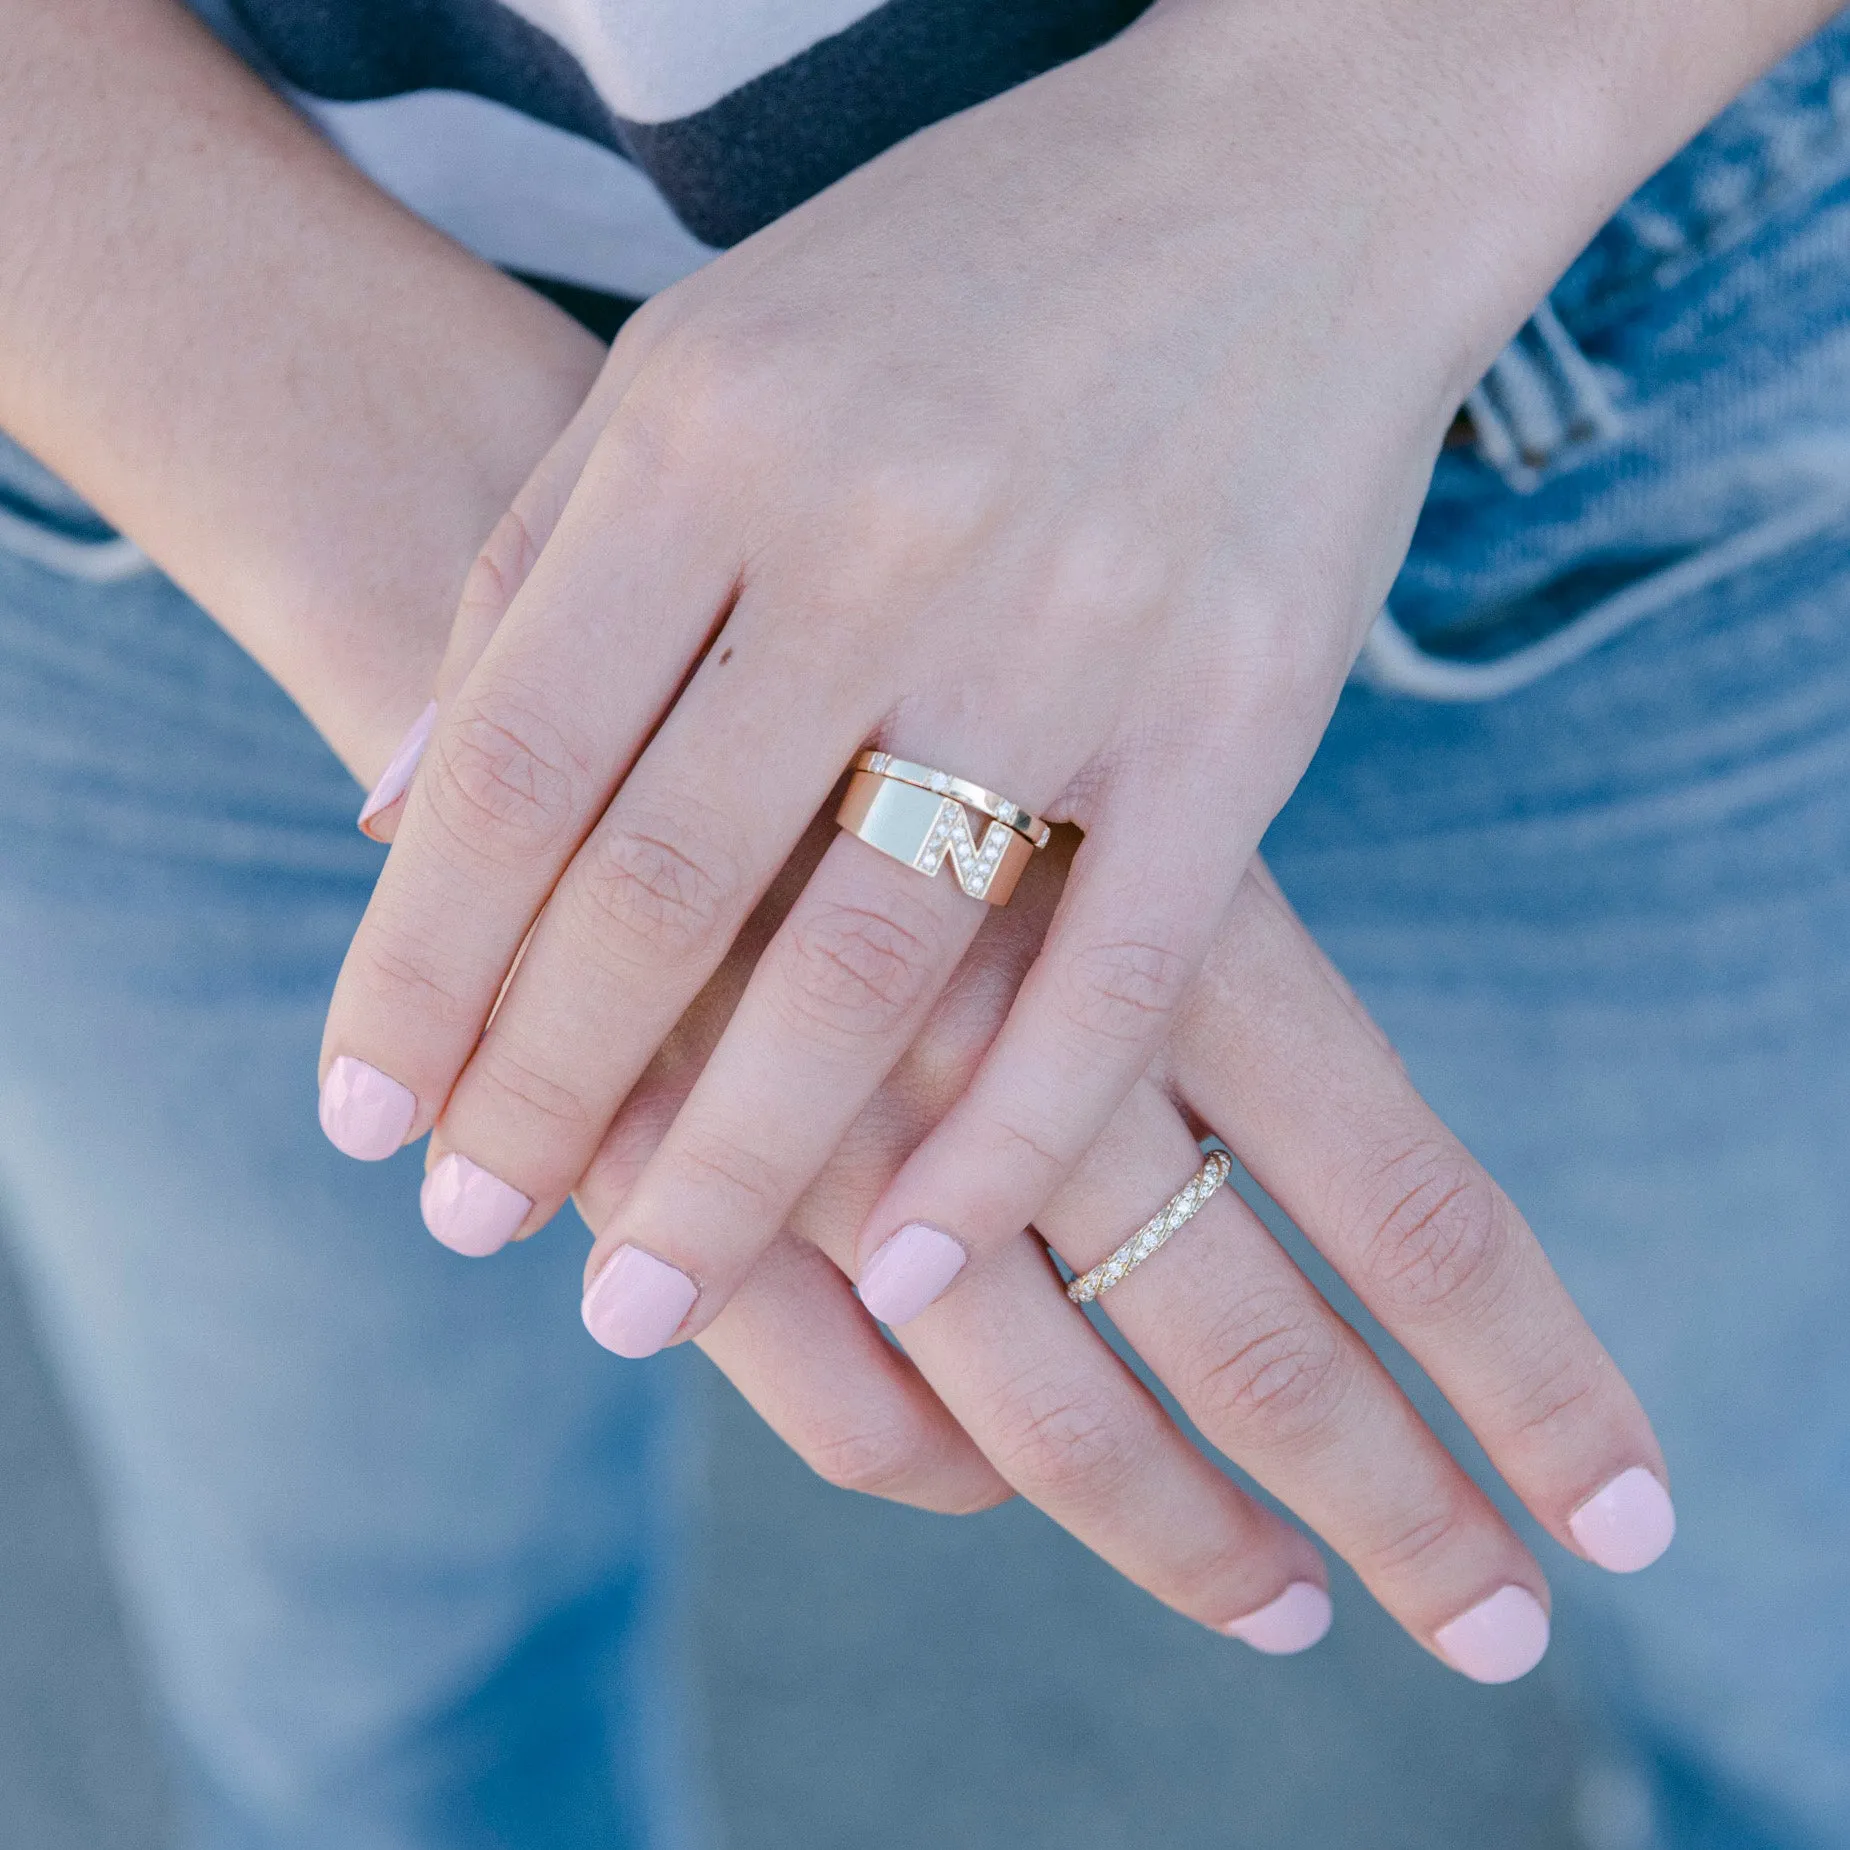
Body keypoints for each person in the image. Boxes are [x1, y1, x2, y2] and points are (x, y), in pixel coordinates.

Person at [0, 1, 1843, 1846]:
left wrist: (1341, 121)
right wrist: (364, 465)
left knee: (1797, 1633)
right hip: (178, 433)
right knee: (379, 1685)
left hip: (1547, 337)